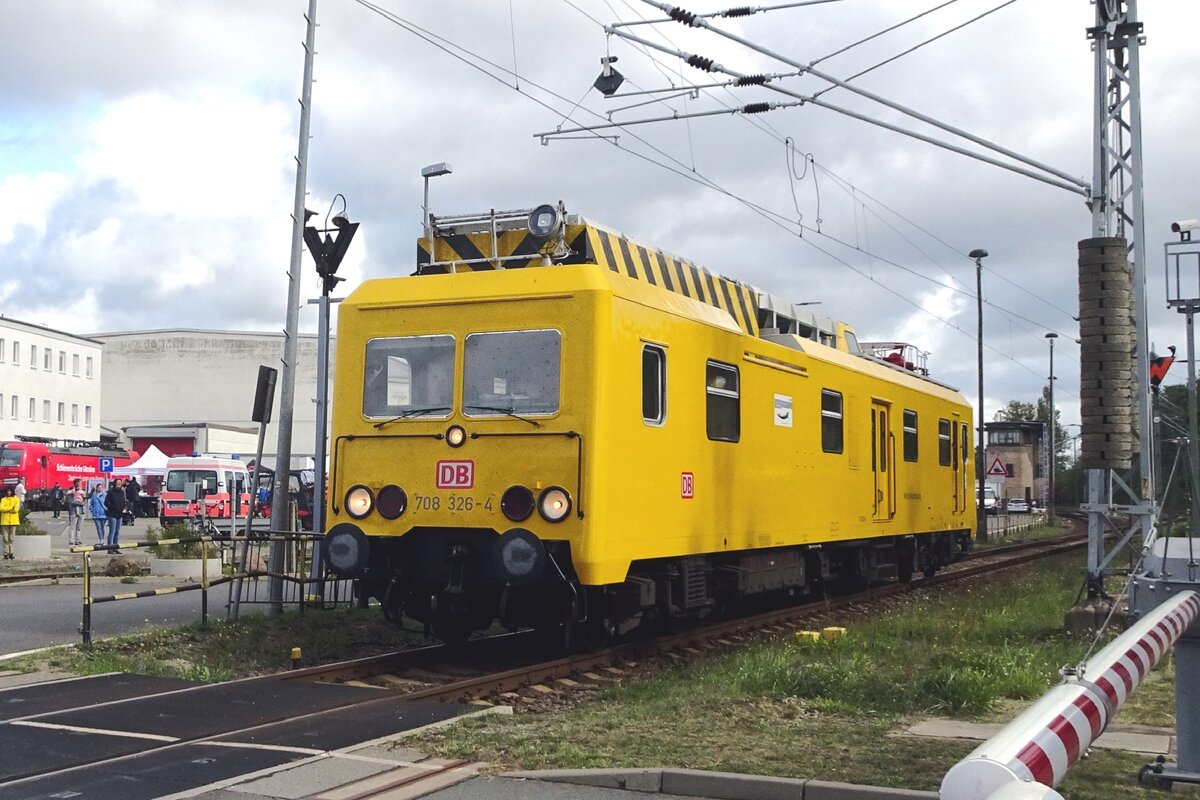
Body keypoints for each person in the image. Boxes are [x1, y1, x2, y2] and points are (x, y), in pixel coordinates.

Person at [103, 478, 126, 547]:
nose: (119, 484)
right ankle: (110, 547)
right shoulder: (110, 492)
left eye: (120, 483)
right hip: (112, 514)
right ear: (115, 483)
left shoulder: (122, 492)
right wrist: (113, 507)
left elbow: (123, 501)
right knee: (112, 531)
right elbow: (106, 503)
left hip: (119, 514)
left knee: (117, 531)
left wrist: (123, 507)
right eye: (117, 483)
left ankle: (115, 547)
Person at [0, 487, 19, 560]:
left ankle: (11, 553)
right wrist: (11, 507)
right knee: (5, 538)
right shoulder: (3, 499)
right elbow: (1, 508)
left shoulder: (16, 499)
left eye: (10, 491)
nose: (9, 493)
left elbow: (16, 510)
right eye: (7, 491)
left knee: (11, 538)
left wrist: (6, 509)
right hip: (4, 521)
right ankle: (5, 553)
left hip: (14, 521)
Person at [67, 478, 86, 546]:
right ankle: (71, 541)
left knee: (79, 527)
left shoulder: (82, 492)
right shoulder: (70, 492)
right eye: (80, 483)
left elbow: (85, 500)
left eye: (81, 483)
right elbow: (70, 502)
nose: (81, 484)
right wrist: (79, 503)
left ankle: (78, 540)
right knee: (72, 527)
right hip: (73, 511)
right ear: (76, 484)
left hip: (81, 511)